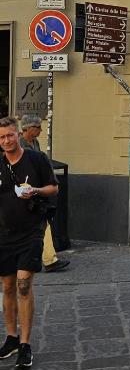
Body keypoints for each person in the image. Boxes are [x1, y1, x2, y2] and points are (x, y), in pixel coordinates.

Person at [0, 116, 59, 369]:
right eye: (1, 137)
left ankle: (25, 344)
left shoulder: (36, 159)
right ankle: (11, 337)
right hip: (3, 234)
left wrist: (34, 190)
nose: (6, 141)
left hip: (31, 231)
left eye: (10, 135)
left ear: (18, 134)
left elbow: (53, 188)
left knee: (24, 285)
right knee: (8, 285)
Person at [19, 116, 69, 274]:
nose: (40, 130)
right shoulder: (19, 144)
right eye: (38, 127)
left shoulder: (35, 143)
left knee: (41, 223)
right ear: (29, 128)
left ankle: (48, 259)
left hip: (34, 189)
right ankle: (46, 260)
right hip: (21, 191)